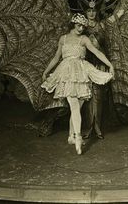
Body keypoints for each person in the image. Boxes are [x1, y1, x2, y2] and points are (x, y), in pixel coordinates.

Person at [41, 13, 114, 155]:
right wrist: (46, 71)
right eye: (78, 25)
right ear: (72, 24)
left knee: (77, 107)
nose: (81, 28)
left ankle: (71, 136)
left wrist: (110, 65)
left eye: (83, 26)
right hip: (67, 74)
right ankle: (78, 138)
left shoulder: (84, 39)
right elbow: (56, 57)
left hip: (81, 72)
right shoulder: (64, 38)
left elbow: (97, 53)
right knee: (74, 106)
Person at [82, 7, 110, 139]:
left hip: (100, 63)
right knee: (87, 97)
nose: (92, 13)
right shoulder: (81, 26)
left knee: (98, 97)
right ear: (85, 13)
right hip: (86, 64)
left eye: (94, 10)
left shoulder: (102, 25)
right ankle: (87, 127)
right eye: (88, 11)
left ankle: (98, 127)